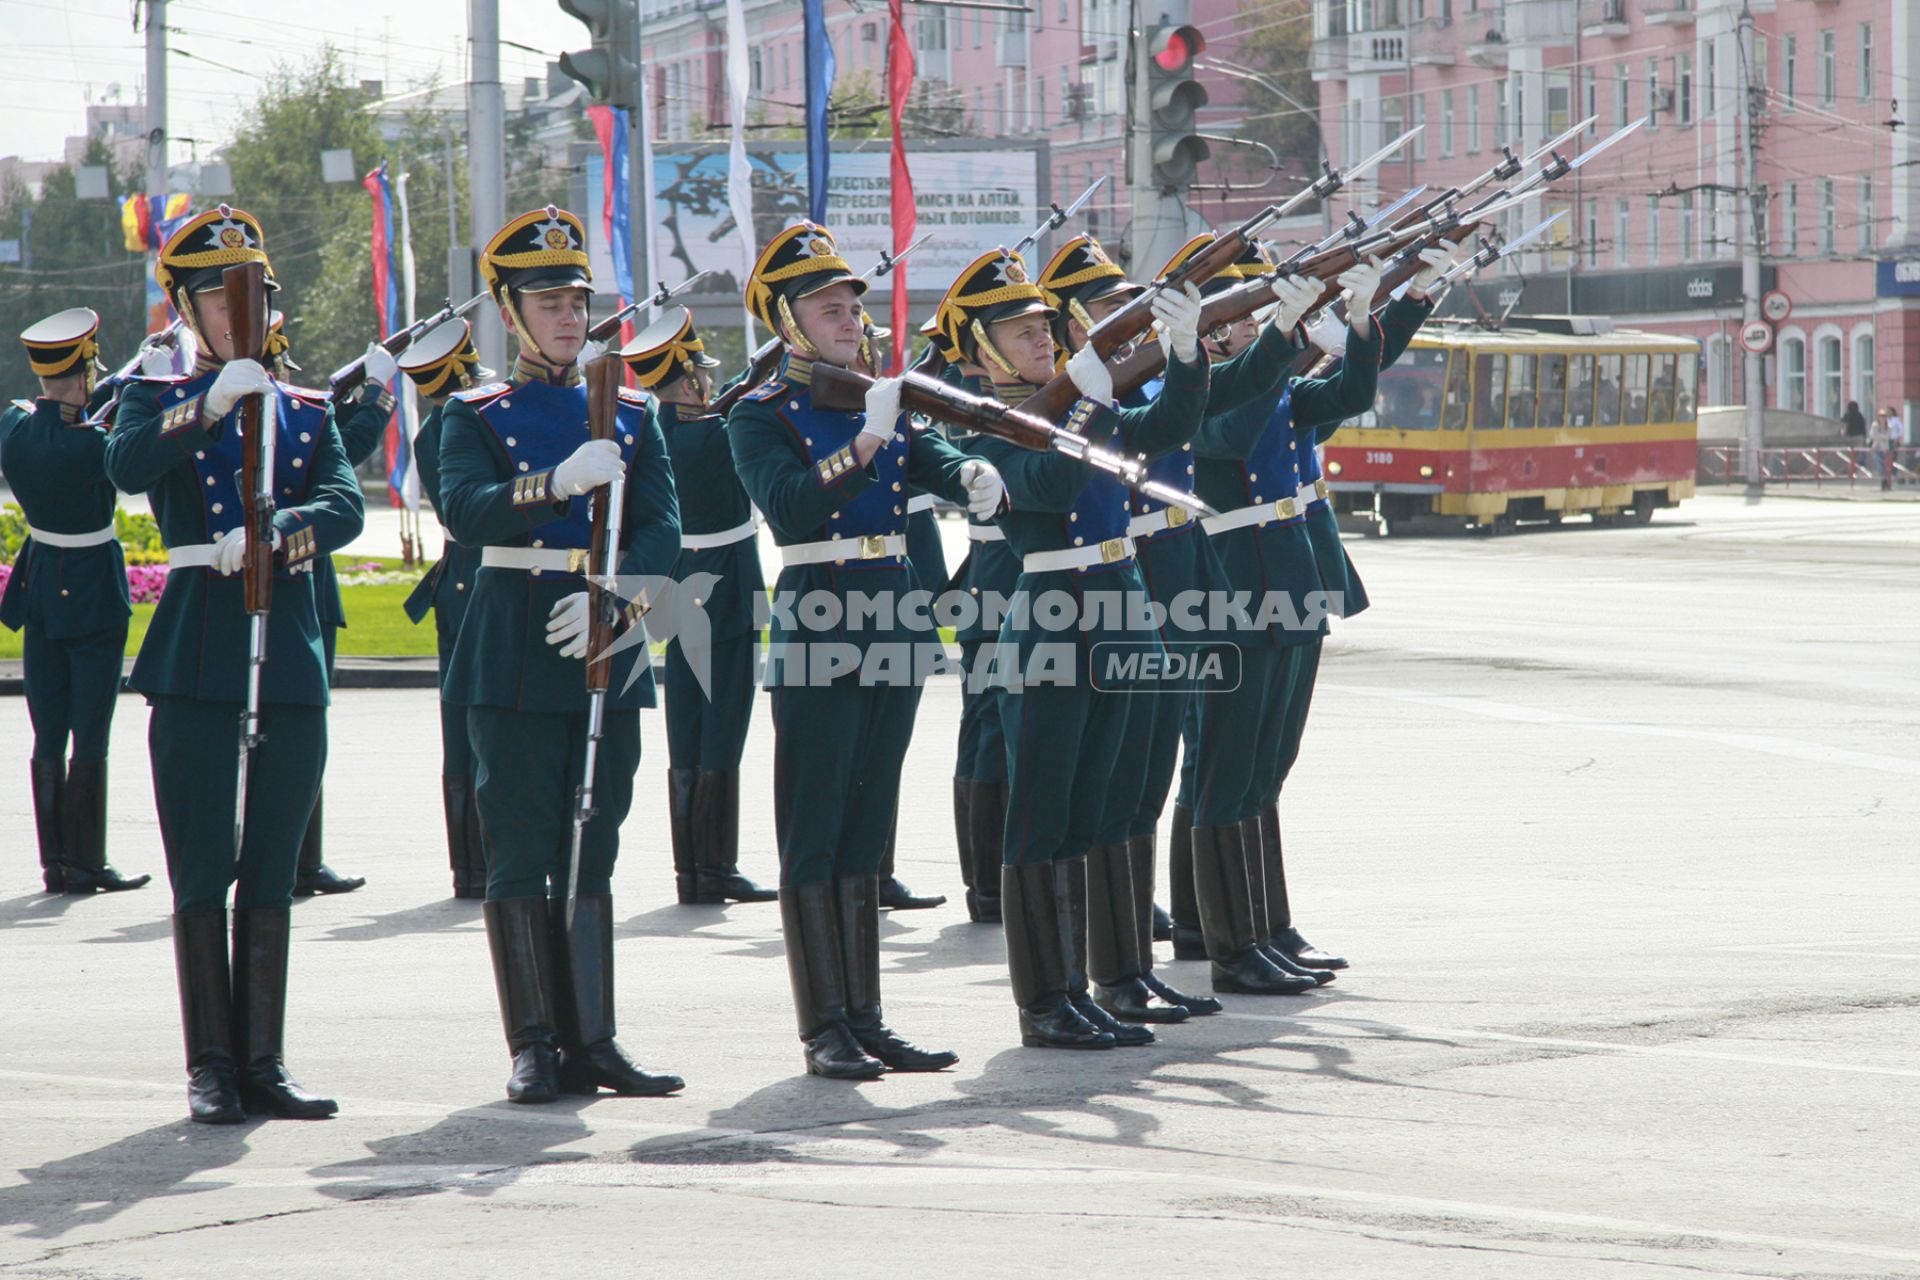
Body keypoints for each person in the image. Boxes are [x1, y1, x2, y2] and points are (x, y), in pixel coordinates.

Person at [104, 204, 362, 1123]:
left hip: (284, 647)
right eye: (215, 298)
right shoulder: (154, 392)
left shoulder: (304, 407)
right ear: (186, 307)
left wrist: (282, 531)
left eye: (246, 296)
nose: (234, 313)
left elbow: (342, 505)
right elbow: (126, 464)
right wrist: (206, 405)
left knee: (272, 863)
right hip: (200, 648)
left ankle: (263, 1058)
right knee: (203, 861)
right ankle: (210, 1061)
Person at [727, 221, 1001, 1079]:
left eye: (852, 305)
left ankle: (867, 1016)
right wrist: (872, 442)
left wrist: (969, 476)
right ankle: (824, 1027)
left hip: (895, 620)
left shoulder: (876, 398)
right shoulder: (758, 416)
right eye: (828, 307)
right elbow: (795, 507)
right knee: (818, 827)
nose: (849, 319)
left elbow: (937, 455)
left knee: (868, 825)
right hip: (820, 617)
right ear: (787, 325)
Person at [932, 245, 1208, 1049]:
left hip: (1121, 601)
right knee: (1041, 818)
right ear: (981, 352)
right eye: (1017, 333)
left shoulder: (1080, 400)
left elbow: (1165, 429)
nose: (1041, 340)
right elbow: (1047, 485)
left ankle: (1106, 981)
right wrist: (1084, 399)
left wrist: (1186, 356)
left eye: (1043, 326)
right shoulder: (981, 428)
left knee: (1101, 807)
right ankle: (1044, 999)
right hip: (1051, 614)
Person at [438, 205, 684, 1103]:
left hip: (606, 641)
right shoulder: (471, 413)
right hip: (511, 647)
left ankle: (595, 1037)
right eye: (546, 303)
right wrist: (553, 483)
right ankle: (534, 1041)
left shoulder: (637, 411)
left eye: (576, 300)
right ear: (509, 312)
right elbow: (465, 511)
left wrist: (619, 599)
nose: (568, 315)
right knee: (520, 846)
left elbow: (665, 527)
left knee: (596, 843)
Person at [619, 307, 776, 906]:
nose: (709, 382)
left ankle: (693, 870)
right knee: (723, 731)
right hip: (728, 586)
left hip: (676, 585)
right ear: (687, 379)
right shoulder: (724, 429)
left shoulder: (650, 431)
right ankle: (716, 866)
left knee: (686, 726)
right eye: (701, 375)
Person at [1, 308, 149, 894]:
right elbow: (124, 447)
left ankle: (55, 861)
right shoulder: (94, 446)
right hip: (91, 587)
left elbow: (63, 416)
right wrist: (138, 387)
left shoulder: (13, 429)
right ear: (85, 370)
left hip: (40, 585)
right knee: (91, 731)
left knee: (47, 731)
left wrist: (121, 376)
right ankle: (87, 861)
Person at [285, 312, 395, 898]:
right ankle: (293, 859)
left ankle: (302, 857)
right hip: (292, 580)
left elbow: (330, 445)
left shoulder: (299, 415)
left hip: (311, 586)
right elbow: (337, 455)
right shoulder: (270, 421)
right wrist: (375, 398)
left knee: (306, 735)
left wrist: (358, 397)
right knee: (294, 732)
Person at [398, 317, 495, 898]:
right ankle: (478, 862)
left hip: (460, 580)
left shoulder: (435, 427)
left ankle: (472, 865)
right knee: (476, 722)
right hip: (479, 577)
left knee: (461, 723)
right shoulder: (462, 423)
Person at [1869, 408, 1895, 490]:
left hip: (1885, 449)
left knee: (1885, 466)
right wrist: (1882, 437)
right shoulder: (1875, 425)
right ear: (1878, 417)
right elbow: (1872, 435)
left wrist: (1879, 436)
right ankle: (1883, 481)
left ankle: (1885, 482)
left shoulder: (1889, 426)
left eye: (1884, 416)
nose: (1882, 418)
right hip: (1876, 448)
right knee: (1880, 466)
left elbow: (1888, 436)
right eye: (1880, 416)